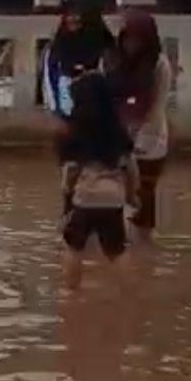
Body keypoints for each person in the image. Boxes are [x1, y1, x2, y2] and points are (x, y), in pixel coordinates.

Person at [60, 70, 140, 290]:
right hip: (113, 199)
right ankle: (130, 292)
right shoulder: (117, 132)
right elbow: (131, 169)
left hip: (85, 197)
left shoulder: (75, 133)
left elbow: (71, 171)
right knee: (117, 250)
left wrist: (67, 195)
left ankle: (71, 291)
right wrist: (132, 195)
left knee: (74, 246)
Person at [108, 8, 173, 232]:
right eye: (127, 37)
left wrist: (141, 145)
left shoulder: (159, 65)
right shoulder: (114, 61)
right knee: (119, 194)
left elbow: (156, 106)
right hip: (119, 133)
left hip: (149, 138)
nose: (131, 44)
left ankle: (144, 248)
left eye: (137, 39)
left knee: (144, 193)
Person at [42, 0, 114, 125]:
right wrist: (59, 109)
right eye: (69, 14)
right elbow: (50, 78)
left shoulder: (106, 46)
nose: (72, 19)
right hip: (68, 114)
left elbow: (112, 79)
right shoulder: (57, 46)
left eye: (78, 14)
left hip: (100, 115)